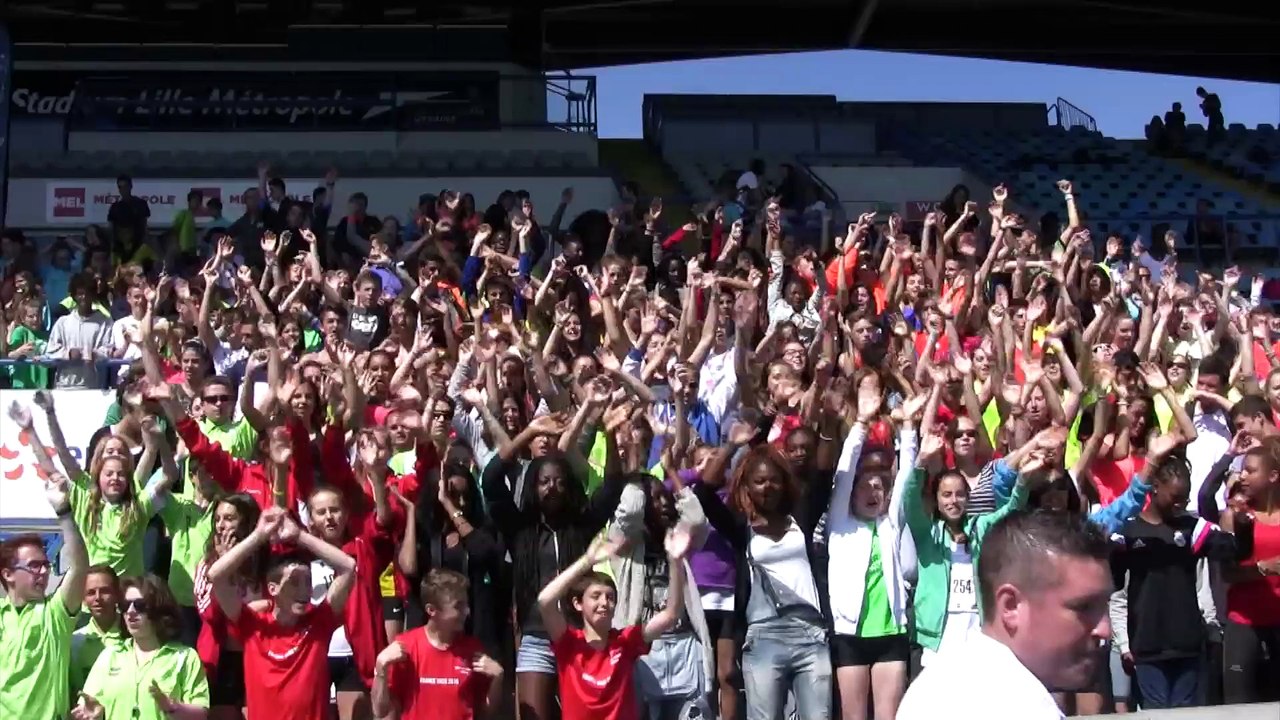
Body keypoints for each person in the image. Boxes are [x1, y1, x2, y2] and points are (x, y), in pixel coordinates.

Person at [898, 511, 1114, 720]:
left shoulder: (937, 683)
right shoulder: (1022, 708)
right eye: (1083, 607)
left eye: (1104, 606)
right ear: (1010, 605)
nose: (1105, 629)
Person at [207, 507, 357, 720]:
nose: (304, 590)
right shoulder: (252, 625)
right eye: (294, 582)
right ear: (273, 588)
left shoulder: (318, 622)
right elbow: (216, 576)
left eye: (308, 582)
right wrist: (258, 536)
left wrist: (299, 536)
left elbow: (348, 567)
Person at [536, 525, 693, 720]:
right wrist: (587, 561)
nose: (604, 603)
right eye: (596, 596)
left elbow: (671, 614)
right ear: (578, 604)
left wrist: (675, 562)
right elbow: (544, 602)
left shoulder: (626, 641)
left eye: (610, 598)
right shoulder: (568, 643)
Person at [0, 470, 89, 720]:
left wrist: (64, 512)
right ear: (8, 574)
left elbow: (81, 565)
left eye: (45, 565)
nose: (43, 572)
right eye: (33, 566)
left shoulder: (55, 612)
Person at [371, 569, 505, 720]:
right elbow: (380, 711)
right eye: (458, 606)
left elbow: (487, 714)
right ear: (431, 610)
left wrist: (497, 679)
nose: (467, 611)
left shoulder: (472, 650)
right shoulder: (406, 647)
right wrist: (380, 667)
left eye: (466, 604)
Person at [73, 575, 210, 720]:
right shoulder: (110, 656)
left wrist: (175, 708)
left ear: (159, 608)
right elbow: (88, 705)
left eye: (140, 605)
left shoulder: (185, 657)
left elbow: (202, 714)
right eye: (125, 606)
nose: (131, 612)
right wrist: (94, 714)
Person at [70, 565, 129, 696]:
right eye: (91, 592)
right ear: (83, 599)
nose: (98, 598)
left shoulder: (134, 636)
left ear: (118, 594)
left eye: (105, 591)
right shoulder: (75, 642)